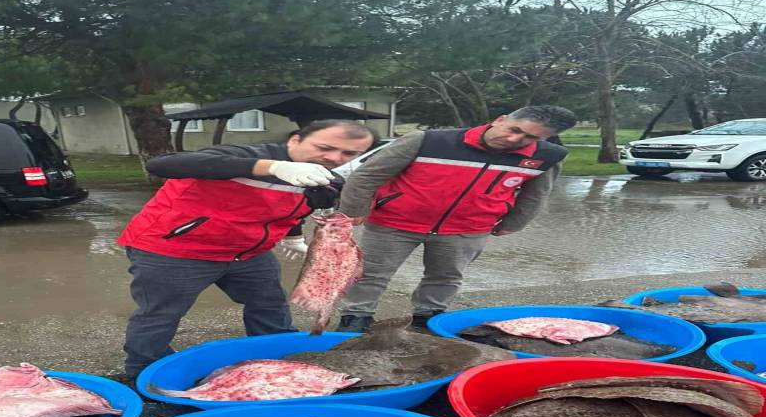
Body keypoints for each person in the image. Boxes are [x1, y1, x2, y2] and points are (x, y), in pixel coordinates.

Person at [117, 119, 379, 378]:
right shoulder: (244, 156)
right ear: (295, 140)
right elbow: (162, 164)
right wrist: (273, 167)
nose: (334, 157)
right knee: (161, 312)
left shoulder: (324, 177)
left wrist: (293, 237)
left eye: (349, 153)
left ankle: (277, 352)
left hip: (247, 251)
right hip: (175, 248)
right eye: (324, 147)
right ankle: (143, 370)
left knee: (269, 302)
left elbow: (293, 207)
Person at [334, 105, 578, 333]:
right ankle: (356, 315)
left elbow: (535, 195)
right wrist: (354, 210)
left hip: (468, 228)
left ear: (546, 138)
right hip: (394, 222)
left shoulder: (547, 157)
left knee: (446, 277)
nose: (515, 139)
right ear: (500, 120)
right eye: (514, 129)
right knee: (369, 273)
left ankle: (428, 318)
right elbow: (367, 176)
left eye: (530, 138)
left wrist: (514, 223)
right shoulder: (428, 141)